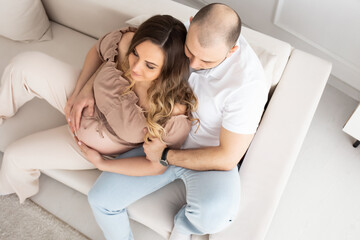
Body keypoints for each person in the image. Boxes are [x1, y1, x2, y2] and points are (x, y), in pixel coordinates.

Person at [87, 3, 269, 240]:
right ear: (190, 22)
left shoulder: (247, 86)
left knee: (218, 214)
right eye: (190, 52)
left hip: (204, 154)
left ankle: (184, 227)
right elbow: (127, 47)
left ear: (231, 51)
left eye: (206, 62)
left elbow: (227, 157)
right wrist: (85, 88)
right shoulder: (179, 32)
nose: (192, 65)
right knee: (100, 200)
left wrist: (165, 155)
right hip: (158, 137)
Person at [0, 15, 198, 203]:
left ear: (169, 71)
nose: (136, 67)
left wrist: (103, 164)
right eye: (135, 54)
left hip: (89, 145)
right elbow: (98, 51)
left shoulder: (172, 113)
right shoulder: (126, 41)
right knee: (23, 65)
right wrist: (81, 90)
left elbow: (156, 166)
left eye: (150, 66)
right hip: (85, 98)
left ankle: (12, 190)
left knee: (14, 158)